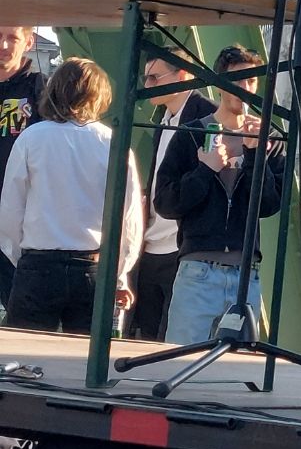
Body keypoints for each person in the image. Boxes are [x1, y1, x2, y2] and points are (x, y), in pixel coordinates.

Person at [152, 45, 284, 344]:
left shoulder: (270, 140)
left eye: (252, 80)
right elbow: (166, 202)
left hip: (246, 275)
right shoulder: (192, 133)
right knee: (182, 356)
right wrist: (205, 170)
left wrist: (256, 157)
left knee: (237, 365)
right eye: (237, 80)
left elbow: (269, 205)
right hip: (198, 270)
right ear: (220, 85)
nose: (245, 88)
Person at [0, 58, 143, 333]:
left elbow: (10, 211)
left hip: (37, 264)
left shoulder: (31, 138)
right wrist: (119, 274)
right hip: (91, 266)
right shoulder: (113, 143)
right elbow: (128, 219)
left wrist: (22, 258)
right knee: (84, 354)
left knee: (24, 352)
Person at [130, 49, 215, 340]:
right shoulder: (164, 119)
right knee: (147, 333)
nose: (148, 85)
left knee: (172, 337)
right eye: (146, 78)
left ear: (183, 75)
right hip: (152, 243)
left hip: (181, 247)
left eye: (155, 78)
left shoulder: (205, 117)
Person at [0, 25, 46, 310]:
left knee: (21, 311)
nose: (4, 45)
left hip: (18, 225)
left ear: (28, 42)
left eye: (12, 38)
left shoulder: (40, 90)